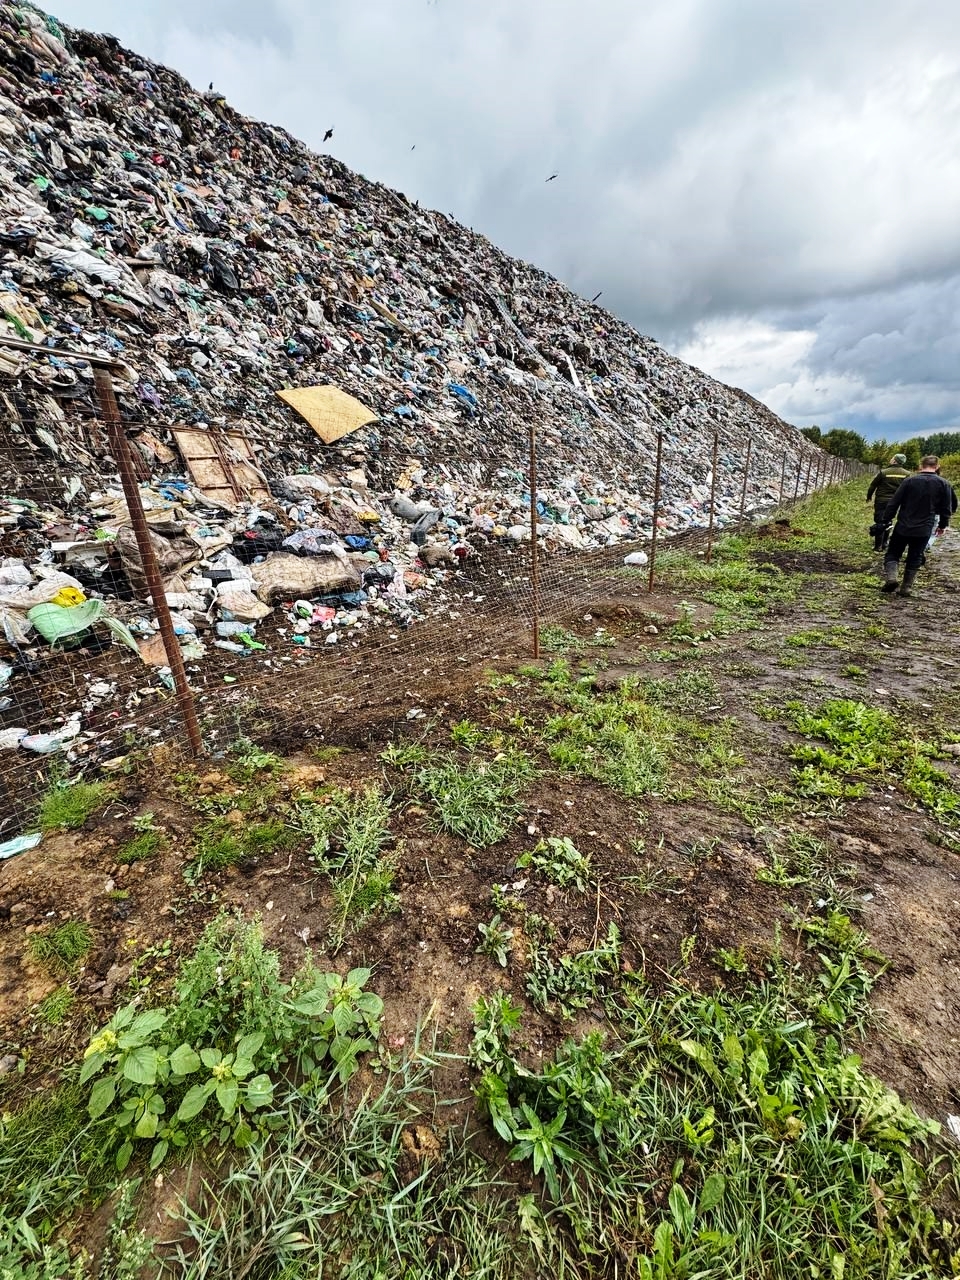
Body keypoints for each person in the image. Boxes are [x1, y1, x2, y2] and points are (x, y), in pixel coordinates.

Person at [880, 455, 952, 596]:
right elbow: (946, 508)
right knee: (916, 556)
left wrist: (886, 520)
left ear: (921, 465)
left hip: (903, 526)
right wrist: (943, 525)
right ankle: (906, 587)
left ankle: (892, 578)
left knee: (893, 553)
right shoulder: (944, 484)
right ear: (937, 466)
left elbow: (894, 502)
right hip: (924, 528)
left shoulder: (910, 481)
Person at [866, 453, 911, 551]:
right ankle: (885, 543)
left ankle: (878, 546)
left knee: (879, 521)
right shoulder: (907, 474)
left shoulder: (884, 472)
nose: (890, 459)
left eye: (892, 458)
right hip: (895, 502)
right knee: (888, 521)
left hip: (881, 500)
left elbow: (873, 485)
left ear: (895, 461)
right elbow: (908, 489)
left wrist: (869, 496)